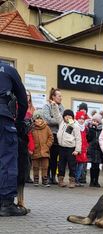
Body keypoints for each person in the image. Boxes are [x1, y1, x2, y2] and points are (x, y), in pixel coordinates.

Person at [0, 62, 28, 216]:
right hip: (3, 117)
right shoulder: (9, 69)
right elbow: (22, 100)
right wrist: (18, 122)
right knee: (7, 160)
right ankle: (6, 203)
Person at [51, 103, 82, 189]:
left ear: (73, 117)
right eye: (66, 116)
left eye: (70, 116)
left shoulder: (75, 126)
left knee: (72, 165)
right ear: (64, 116)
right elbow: (57, 114)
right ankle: (61, 180)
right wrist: (54, 106)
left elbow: (78, 138)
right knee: (61, 164)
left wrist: (77, 150)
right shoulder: (61, 122)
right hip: (61, 147)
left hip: (71, 149)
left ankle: (72, 180)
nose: (68, 117)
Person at [43, 88, 64, 185]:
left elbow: (63, 120)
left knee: (55, 157)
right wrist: (58, 120)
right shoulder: (47, 106)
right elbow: (47, 119)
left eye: (61, 96)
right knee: (47, 156)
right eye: (59, 96)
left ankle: (53, 177)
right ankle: (45, 176)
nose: (61, 98)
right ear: (53, 96)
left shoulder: (62, 107)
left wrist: (56, 120)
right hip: (48, 134)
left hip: (58, 135)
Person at [28, 110, 53, 187]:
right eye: (37, 119)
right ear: (34, 120)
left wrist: (47, 145)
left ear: (43, 119)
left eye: (40, 119)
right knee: (35, 166)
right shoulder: (32, 128)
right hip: (35, 150)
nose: (39, 120)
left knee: (45, 166)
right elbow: (29, 138)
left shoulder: (47, 127)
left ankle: (44, 180)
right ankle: (36, 179)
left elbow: (51, 137)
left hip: (45, 151)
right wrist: (31, 148)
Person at [87, 113, 103, 187]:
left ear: (99, 122)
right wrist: (92, 129)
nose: (95, 123)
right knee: (93, 166)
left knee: (97, 166)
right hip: (92, 150)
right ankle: (91, 181)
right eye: (94, 121)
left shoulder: (101, 130)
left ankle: (96, 181)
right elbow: (88, 138)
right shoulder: (90, 129)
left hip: (99, 150)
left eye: (96, 121)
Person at [74, 111, 89, 187]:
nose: (81, 120)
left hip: (83, 149)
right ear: (77, 118)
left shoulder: (85, 128)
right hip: (76, 149)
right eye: (80, 118)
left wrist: (86, 147)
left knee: (81, 165)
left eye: (83, 119)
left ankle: (77, 179)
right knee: (74, 165)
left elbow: (85, 138)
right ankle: (73, 179)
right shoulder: (74, 126)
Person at [24, 90, 35, 183]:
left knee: (29, 156)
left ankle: (27, 176)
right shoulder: (18, 104)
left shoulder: (32, 108)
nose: (27, 97)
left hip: (30, 132)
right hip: (21, 131)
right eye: (26, 95)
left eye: (28, 95)